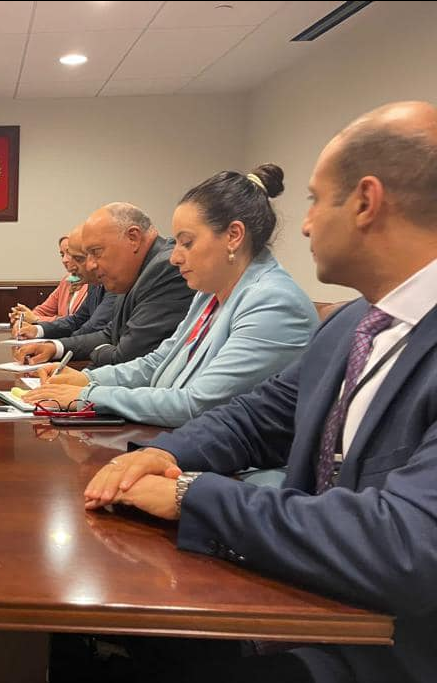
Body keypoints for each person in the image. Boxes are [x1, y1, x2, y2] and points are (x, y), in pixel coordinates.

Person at [81, 101, 437, 682]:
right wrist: (162, 453)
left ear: (366, 201)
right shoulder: (354, 323)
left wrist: (191, 495)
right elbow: (257, 417)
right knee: (102, 637)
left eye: (316, 201)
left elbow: (404, 544)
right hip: (307, 602)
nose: (305, 225)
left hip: (385, 649)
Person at [24, 164, 317, 427]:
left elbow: (196, 404)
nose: (175, 257)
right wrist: (87, 378)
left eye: (187, 243)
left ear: (233, 236)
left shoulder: (273, 304)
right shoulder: (209, 294)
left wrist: (88, 395)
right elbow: (158, 362)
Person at [15, 203, 194, 368]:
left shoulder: (165, 269)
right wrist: (55, 347)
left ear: (133, 238)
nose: (90, 265)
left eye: (96, 252)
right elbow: (110, 334)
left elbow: (126, 356)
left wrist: (101, 351)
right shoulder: (131, 273)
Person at [12, 225, 117, 341]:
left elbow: (92, 327)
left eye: (77, 257)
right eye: (62, 255)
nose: (65, 260)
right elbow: (76, 320)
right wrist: (36, 330)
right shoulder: (75, 282)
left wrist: (56, 344)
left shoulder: (114, 283)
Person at [9, 235, 89, 324]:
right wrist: (22, 317)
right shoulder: (67, 281)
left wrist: (36, 319)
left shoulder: (94, 284)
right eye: (62, 255)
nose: (64, 260)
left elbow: (78, 322)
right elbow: (43, 310)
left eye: (69, 253)